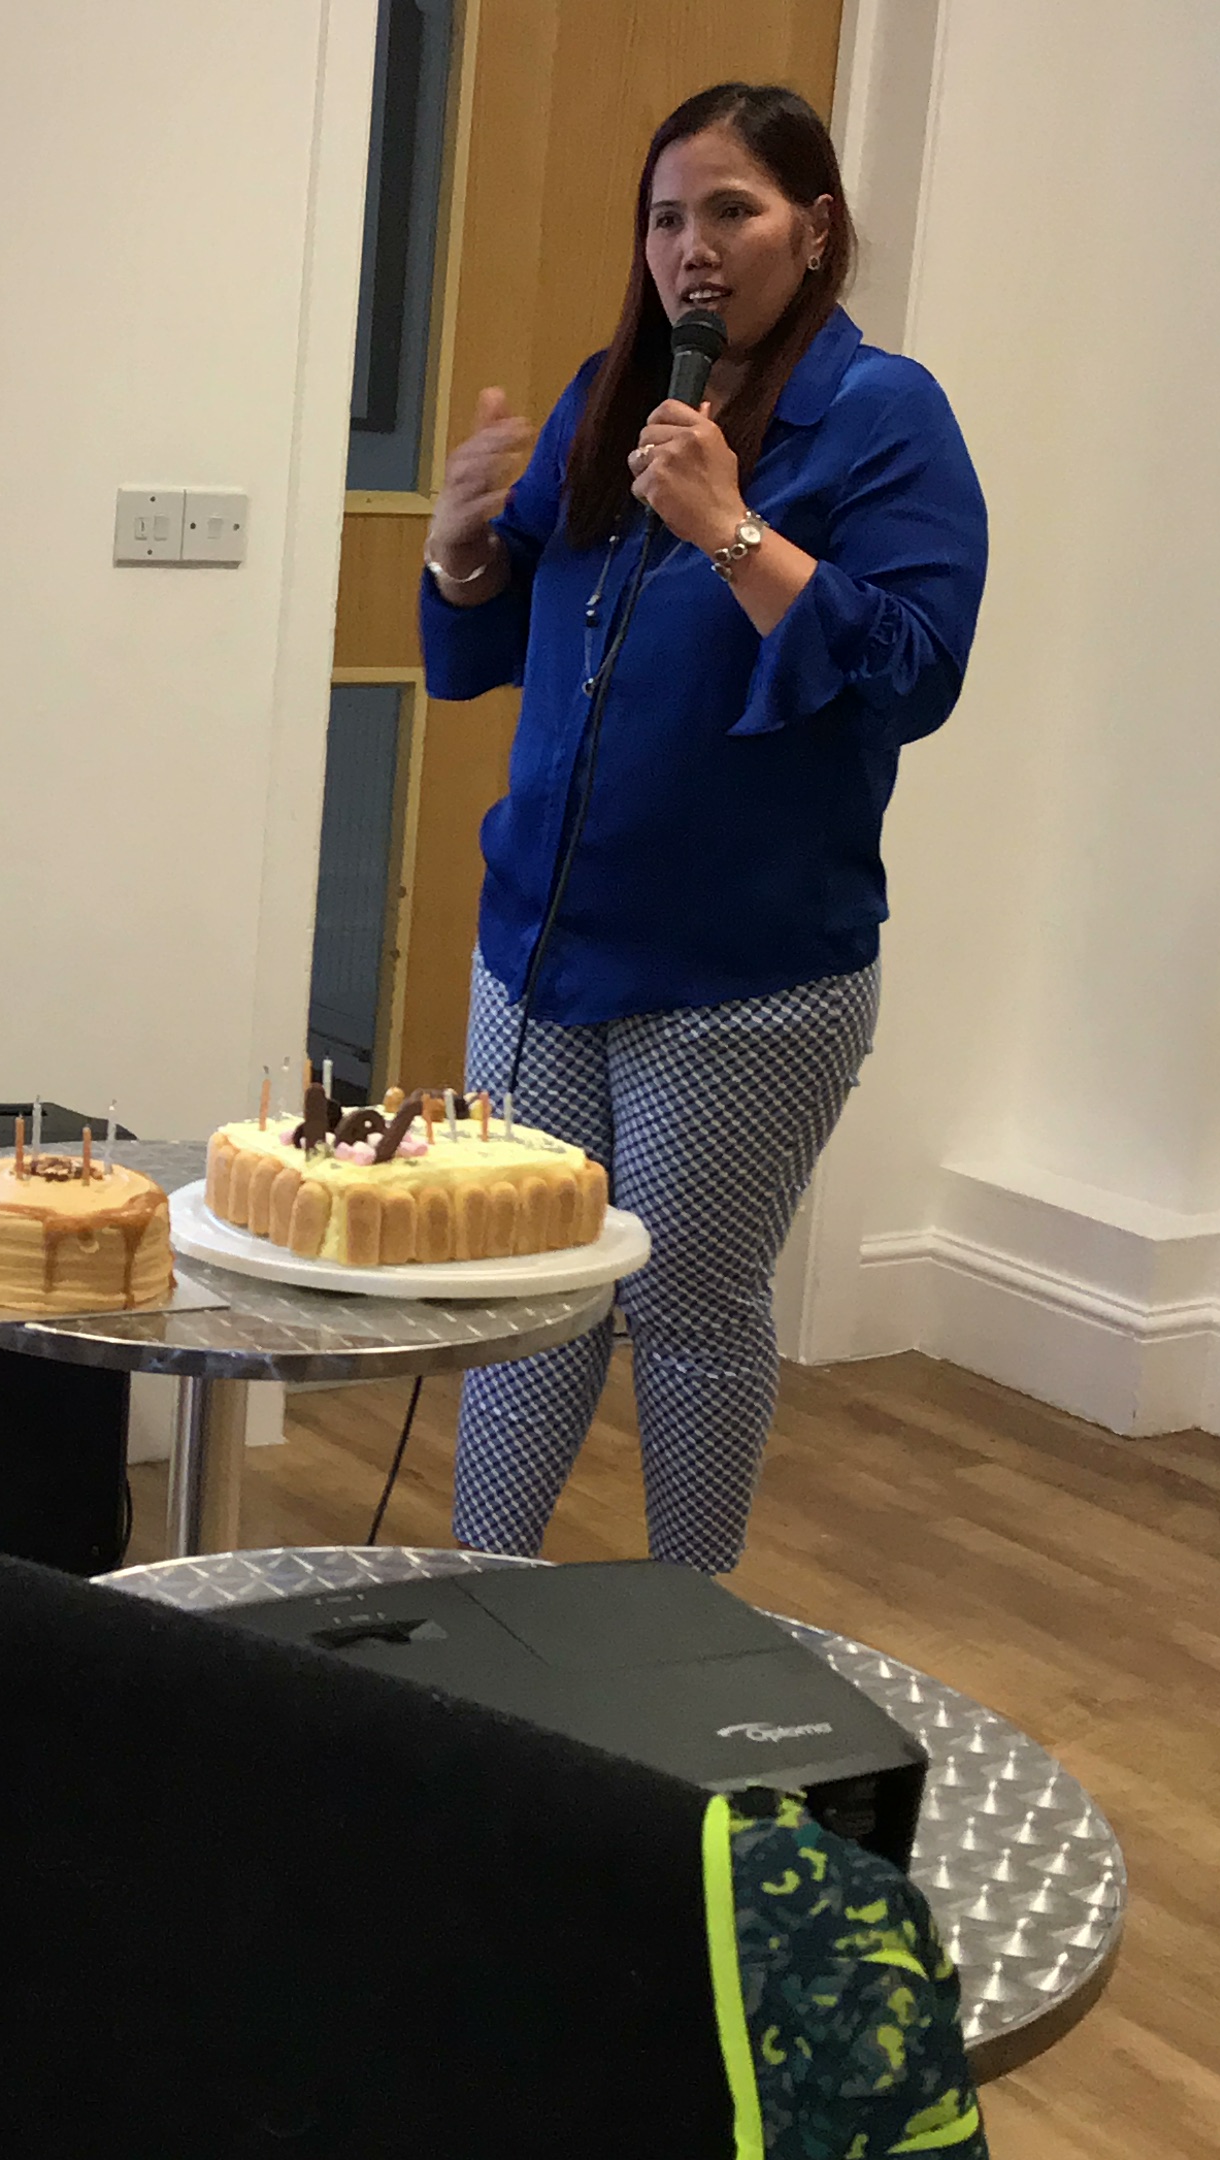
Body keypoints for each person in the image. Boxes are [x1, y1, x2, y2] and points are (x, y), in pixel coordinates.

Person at [417, 84, 987, 1571]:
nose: (694, 249)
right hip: (541, 949)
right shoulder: (609, 394)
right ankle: (480, 1602)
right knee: (528, 1286)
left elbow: (915, 671)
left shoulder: (884, 416)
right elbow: (504, 615)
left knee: (686, 1304)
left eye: (732, 210)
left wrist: (733, 531)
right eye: (667, 219)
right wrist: (461, 551)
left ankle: (690, 1633)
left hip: (743, 975)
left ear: (817, 227)